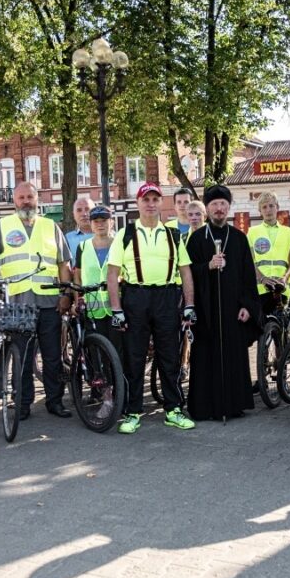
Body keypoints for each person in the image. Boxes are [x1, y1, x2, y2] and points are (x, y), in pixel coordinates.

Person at [0, 182, 73, 419]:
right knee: (22, 357)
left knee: (52, 356)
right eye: (21, 197)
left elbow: (64, 264)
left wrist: (65, 294)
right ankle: (22, 403)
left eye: (30, 197)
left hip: (49, 301)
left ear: (37, 199)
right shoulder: (2, 226)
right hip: (18, 303)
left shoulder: (50, 226)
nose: (26, 201)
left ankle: (55, 401)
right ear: (14, 201)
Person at [106, 182, 196, 434]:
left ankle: (173, 410)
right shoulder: (125, 234)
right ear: (138, 203)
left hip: (167, 297)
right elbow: (112, 274)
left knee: (170, 356)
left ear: (160, 203)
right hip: (135, 297)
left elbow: (185, 271)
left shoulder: (173, 235)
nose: (150, 204)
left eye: (155, 199)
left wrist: (189, 304)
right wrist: (116, 309)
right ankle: (133, 412)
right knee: (134, 357)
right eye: (146, 199)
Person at [185, 184, 261, 421]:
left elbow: (248, 276)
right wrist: (207, 266)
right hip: (205, 311)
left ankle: (234, 404)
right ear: (207, 208)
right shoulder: (197, 239)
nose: (219, 208)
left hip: (233, 310)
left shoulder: (238, 238)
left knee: (233, 357)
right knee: (205, 357)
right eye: (214, 204)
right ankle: (205, 407)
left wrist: (247, 305)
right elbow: (186, 274)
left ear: (228, 207)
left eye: (223, 204)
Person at [73, 204, 120, 420]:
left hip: (116, 309)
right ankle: (107, 399)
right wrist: (78, 299)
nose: (100, 224)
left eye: (104, 220)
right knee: (99, 357)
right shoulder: (83, 247)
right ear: (91, 224)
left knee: (118, 355)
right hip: (93, 311)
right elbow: (78, 275)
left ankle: (122, 397)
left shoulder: (120, 243)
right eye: (96, 221)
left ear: (111, 222)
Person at [248, 191, 290, 318]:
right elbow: (249, 261)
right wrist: (262, 278)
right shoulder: (252, 232)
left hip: (282, 288)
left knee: (282, 325)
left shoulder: (289, 233)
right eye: (264, 207)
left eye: (271, 206)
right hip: (260, 289)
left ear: (277, 207)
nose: (268, 210)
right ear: (260, 211)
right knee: (261, 327)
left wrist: (285, 278)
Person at [66, 195, 96, 266]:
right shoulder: (67, 239)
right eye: (79, 210)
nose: (84, 214)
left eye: (87, 209)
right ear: (74, 215)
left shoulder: (112, 236)